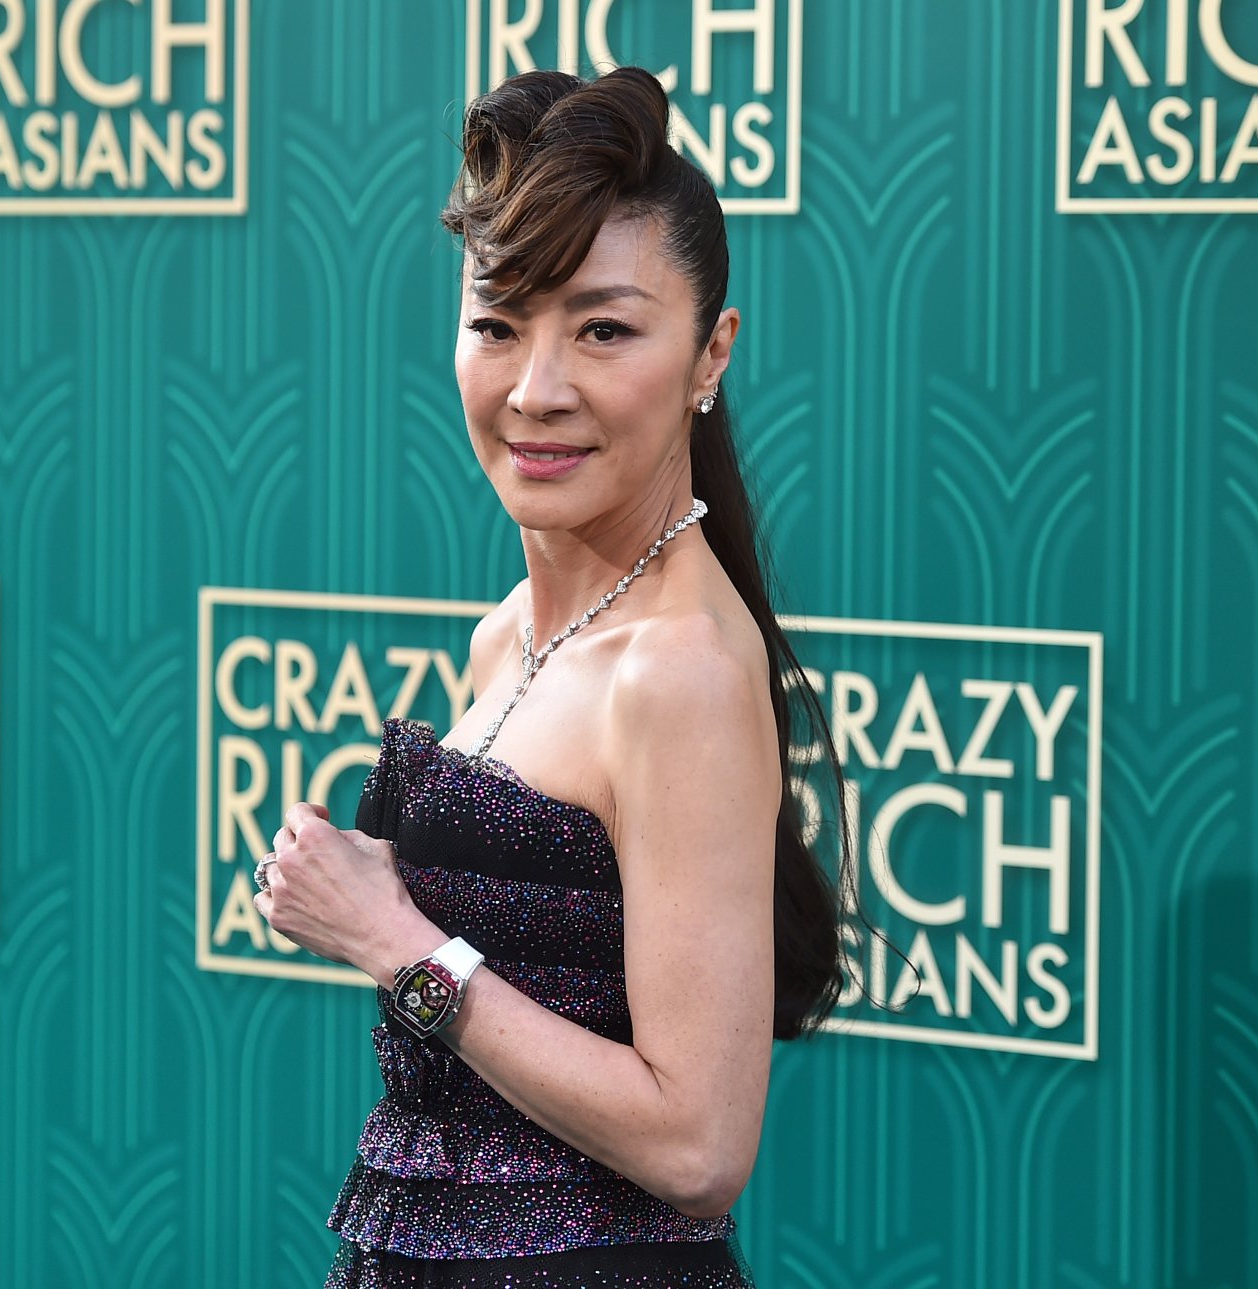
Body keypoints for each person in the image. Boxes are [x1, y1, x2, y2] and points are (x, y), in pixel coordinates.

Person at [250, 65, 854, 1288]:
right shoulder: (505, 636)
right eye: (496, 322)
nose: (536, 389)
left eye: (603, 327)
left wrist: (396, 939)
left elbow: (697, 1143)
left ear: (708, 352)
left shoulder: (675, 671)